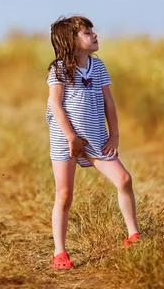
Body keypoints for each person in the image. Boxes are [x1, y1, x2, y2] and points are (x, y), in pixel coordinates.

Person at [45, 15, 140, 270]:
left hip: (96, 136)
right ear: (70, 41)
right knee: (64, 195)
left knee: (124, 179)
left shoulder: (98, 67)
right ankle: (59, 252)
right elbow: (55, 105)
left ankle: (133, 236)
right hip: (66, 138)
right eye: (87, 32)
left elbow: (109, 102)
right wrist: (71, 138)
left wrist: (115, 134)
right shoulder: (59, 68)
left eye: (92, 31)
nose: (94, 35)